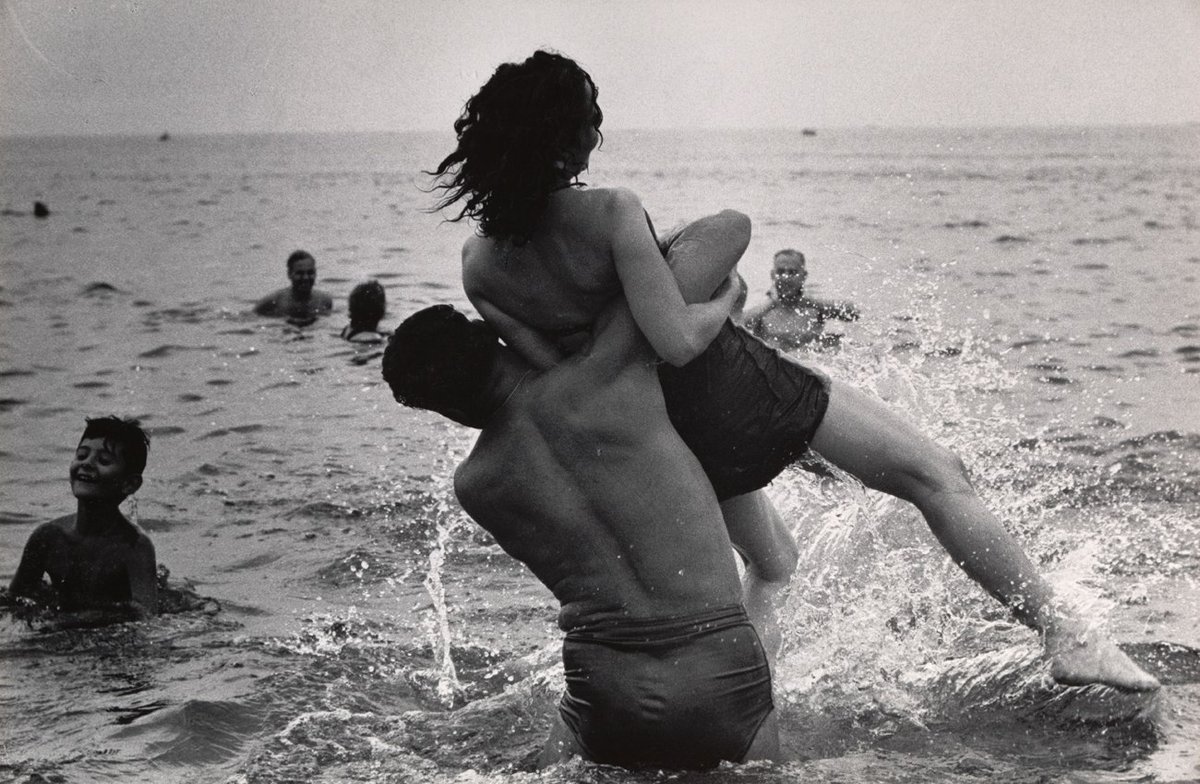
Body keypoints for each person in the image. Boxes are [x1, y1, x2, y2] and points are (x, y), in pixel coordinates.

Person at [435, 50, 1159, 693]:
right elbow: (678, 341)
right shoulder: (609, 212)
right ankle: (1063, 633)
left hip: (656, 432)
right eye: (591, 118)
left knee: (774, 563)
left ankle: (754, 695)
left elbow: (558, 377)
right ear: (565, 134)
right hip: (729, 381)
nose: (599, 132)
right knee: (936, 474)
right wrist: (728, 298)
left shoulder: (480, 266)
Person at [382, 302, 780, 770]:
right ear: (493, 338)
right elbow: (724, 235)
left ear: (447, 407)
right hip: (717, 674)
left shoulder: (477, 484)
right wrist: (725, 299)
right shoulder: (604, 373)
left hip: (603, 690)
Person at [6, 416, 158, 627]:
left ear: (129, 484)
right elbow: (14, 598)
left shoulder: (134, 547)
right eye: (82, 455)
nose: (87, 463)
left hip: (110, 642)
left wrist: (74, 621)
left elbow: (146, 613)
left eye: (103, 461)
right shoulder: (47, 537)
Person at [741, 248, 859, 350]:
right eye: (781, 272)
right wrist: (772, 303)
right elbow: (736, 325)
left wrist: (810, 302)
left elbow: (854, 313)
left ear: (804, 276)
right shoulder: (760, 303)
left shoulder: (815, 306)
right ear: (773, 275)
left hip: (810, 362)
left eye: (792, 272)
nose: (786, 277)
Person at [253, 249, 334, 325]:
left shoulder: (325, 301)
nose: (305, 278)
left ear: (315, 273)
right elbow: (252, 320)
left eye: (310, 273)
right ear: (289, 274)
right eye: (300, 273)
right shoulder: (273, 302)